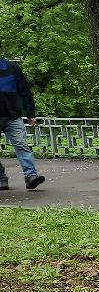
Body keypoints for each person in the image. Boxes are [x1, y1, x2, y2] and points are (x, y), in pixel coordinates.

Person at [0, 56, 43, 191]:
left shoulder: (11, 68)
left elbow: (24, 91)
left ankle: (31, 176)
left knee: (21, 144)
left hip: (12, 116)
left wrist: (31, 114)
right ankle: (1, 178)